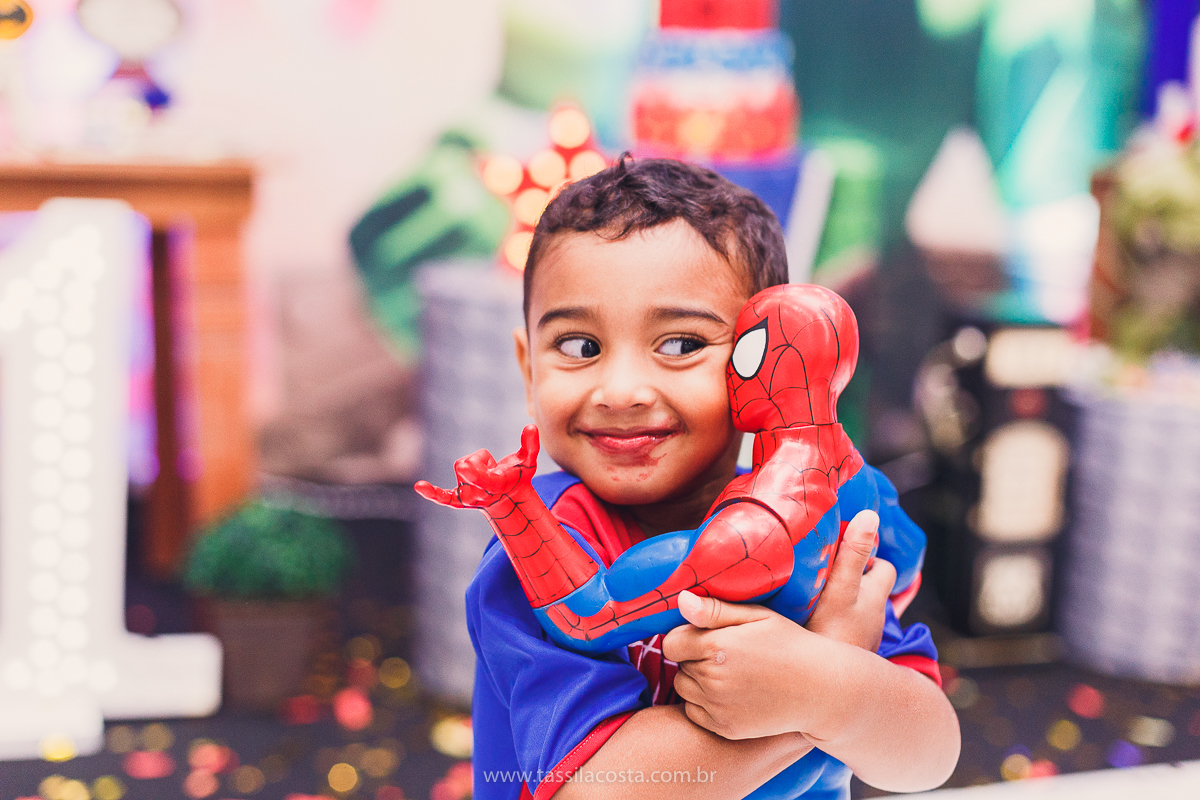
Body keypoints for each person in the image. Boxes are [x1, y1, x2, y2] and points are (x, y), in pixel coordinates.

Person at [448, 158, 960, 799]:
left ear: (762, 361)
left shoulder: (824, 528)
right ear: (529, 372)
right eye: (580, 347)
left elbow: (930, 756)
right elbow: (599, 791)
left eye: (682, 344)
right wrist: (816, 692)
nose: (623, 390)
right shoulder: (543, 554)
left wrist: (836, 686)